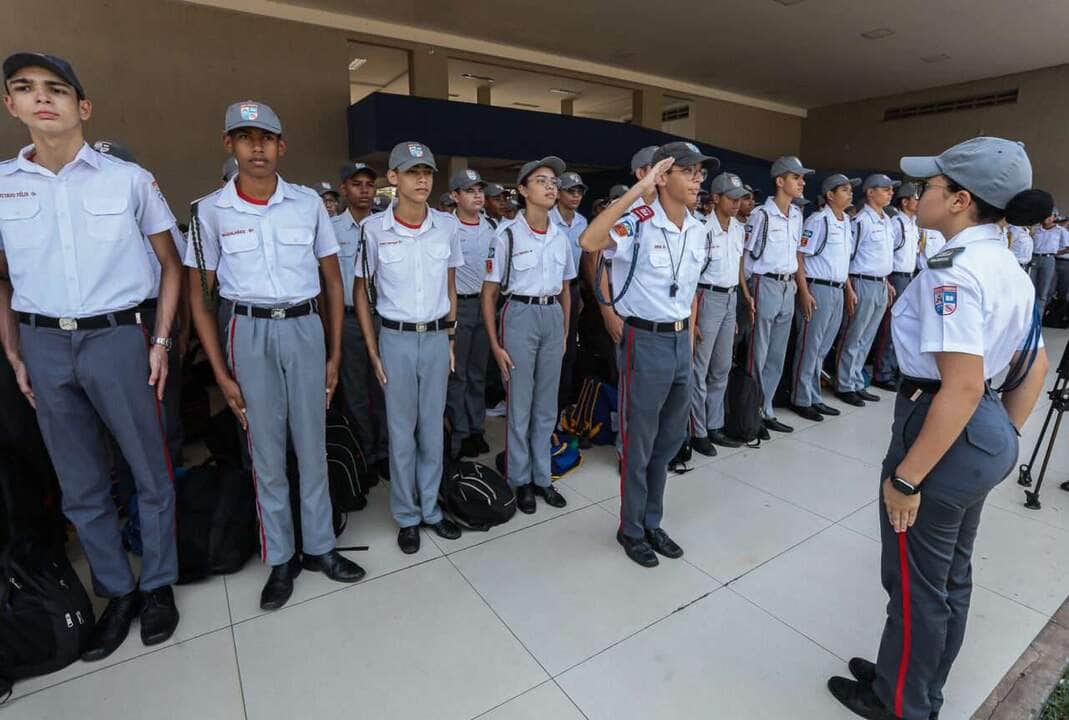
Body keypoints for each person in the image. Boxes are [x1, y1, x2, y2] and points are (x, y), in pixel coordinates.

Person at [827, 137, 1050, 720]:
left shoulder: (954, 271)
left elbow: (963, 385)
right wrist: (997, 438)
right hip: (979, 432)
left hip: (942, 426)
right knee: (949, 576)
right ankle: (916, 681)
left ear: (959, 200)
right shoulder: (1009, 265)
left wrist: (907, 478)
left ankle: (901, 703)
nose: (918, 193)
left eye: (930, 186)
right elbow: (1034, 364)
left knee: (913, 583)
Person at [0, 52, 181, 658]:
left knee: (147, 470)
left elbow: (171, 265)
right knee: (79, 483)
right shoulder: (3, 185)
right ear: (11, 104)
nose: (41, 99)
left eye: (56, 89)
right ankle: (116, 590)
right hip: (43, 344)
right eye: (25, 89)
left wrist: (159, 340)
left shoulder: (127, 178)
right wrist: (15, 350)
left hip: (116, 337)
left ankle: (157, 585)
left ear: (84, 106)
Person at [186, 100, 364, 611]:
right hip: (249, 331)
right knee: (266, 452)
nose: (257, 146)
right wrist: (220, 371)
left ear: (281, 145)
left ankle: (321, 549)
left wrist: (333, 352)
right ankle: (281, 558)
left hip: (305, 327)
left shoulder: (308, 203)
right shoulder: (209, 211)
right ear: (229, 145)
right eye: (245, 137)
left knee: (312, 443)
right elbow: (202, 296)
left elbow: (332, 280)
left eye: (266, 137)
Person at [580, 142, 716, 568]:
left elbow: (691, 288)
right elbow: (590, 240)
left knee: (668, 442)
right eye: (689, 172)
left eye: (700, 173)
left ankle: (651, 520)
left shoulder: (698, 228)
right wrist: (638, 192)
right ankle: (631, 528)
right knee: (638, 443)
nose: (698, 180)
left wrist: (691, 333)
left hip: (679, 341)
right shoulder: (637, 223)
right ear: (663, 177)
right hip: (645, 340)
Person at [354, 141, 463, 555]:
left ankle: (432, 508)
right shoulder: (374, 230)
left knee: (432, 428)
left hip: (436, 337)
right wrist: (373, 347)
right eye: (413, 171)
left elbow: (450, 288)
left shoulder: (447, 227)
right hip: (395, 338)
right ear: (394, 178)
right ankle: (407, 515)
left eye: (428, 172)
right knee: (401, 432)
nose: (422, 179)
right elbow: (361, 291)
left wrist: (451, 337)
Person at [483, 156, 573, 513]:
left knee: (546, 404)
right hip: (519, 314)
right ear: (522, 190)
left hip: (552, 315)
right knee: (520, 404)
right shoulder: (506, 234)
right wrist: (494, 343)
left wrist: (565, 330)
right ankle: (519, 480)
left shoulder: (560, 235)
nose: (551, 186)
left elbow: (566, 288)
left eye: (553, 181)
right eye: (541, 180)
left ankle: (542, 476)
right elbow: (490, 294)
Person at [745, 156, 813, 435]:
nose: (802, 182)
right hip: (765, 283)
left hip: (788, 286)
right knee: (757, 353)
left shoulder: (797, 215)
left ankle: (766, 409)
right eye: (796, 177)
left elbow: (796, 255)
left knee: (776, 354)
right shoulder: (761, 215)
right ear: (780, 181)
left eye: (802, 178)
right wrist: (747, 293)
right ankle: (750, 412)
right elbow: (746, 257)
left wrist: (800, 288)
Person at [332, 161, 389, 478]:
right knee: (354, 393)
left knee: (384, 388)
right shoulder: (331, 229)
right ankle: (363, 455)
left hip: (383, 317)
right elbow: (327, 285)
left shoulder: (385, 227)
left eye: (369, 184)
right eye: (357, 184)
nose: (365, 190)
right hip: (350, 320)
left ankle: (384, 451)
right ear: (344, 189)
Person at [788, 174, 858, 421]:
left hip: (838, 288)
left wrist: (848, 288)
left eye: (850, 190)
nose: (850, 194)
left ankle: (814, 395)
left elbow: (842, 261)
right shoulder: (819, 220)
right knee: (810, 344)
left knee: (824, 346)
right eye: (845, 190)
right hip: (818, 288)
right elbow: (800, 256)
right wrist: (805, 291)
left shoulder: (846, 221)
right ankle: (800, 397)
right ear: (830, 195)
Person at [690, 172, 748, 454]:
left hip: (729, 298)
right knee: (699, 368)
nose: (737, 204)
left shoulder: (738, 229)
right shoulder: (702, 228)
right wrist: (693, 316)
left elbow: (736, 267)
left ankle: (715, 425)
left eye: (740, 198)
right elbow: (691, 275)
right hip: (706, 297)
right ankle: (697, 431)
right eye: (732, 198)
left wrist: (739, 303)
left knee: (721, 367)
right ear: (715, 198)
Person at [835, 174, 898, 407]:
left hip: (881, 283)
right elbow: (848, 258)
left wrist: (887, 281)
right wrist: (849, 287)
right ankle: (844, 383)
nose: (890, 193)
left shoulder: (887, 220)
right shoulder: (861, 221)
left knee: (867, 338)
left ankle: (856, 381)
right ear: (870, 192)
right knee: (854, 335)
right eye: (885, 189)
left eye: (891, 190)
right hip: (861, 282)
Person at [446, 167, 493, 459]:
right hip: (459, 305)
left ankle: (476, 428)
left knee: (478, 373)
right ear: (455, 196)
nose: (477, 195)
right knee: (458, 374)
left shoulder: (492, 227)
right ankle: (460, 432)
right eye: (469, 190)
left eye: (479, 190)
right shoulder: (446, 228)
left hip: (485, 304)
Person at [873, 182, 922, 391]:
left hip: (910, 276)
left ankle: (894, 368)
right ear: (905, 202)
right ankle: (882, 373)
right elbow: (888, 253)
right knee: (890, 326)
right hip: (896, 277)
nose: (919, 201)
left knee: (904, 325)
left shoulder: (912, 224)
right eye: (916, 198)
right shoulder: (897, 224)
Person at [551, 170, 588, 410]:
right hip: (550, 290)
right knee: (550, 351)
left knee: (569, 351)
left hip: (572, 289)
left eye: (579, 192)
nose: (575, 196)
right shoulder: (546, 219)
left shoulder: (582, 222)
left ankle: (562, 405)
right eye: (570, 191)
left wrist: (581, 293)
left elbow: (584, 261)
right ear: (558, 193)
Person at [1030, 213, 1065, 312]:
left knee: (1043, 291)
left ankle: (1038, 318)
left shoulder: (1060, 230)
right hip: (1033, 257)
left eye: (1051, 216)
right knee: (1030, 288)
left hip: (1048, 259)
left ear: (1055, 217)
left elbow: (1066, 246)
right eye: (1046, 215)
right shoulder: (1035, 228)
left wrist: (1052, 251)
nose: (1048, 218)